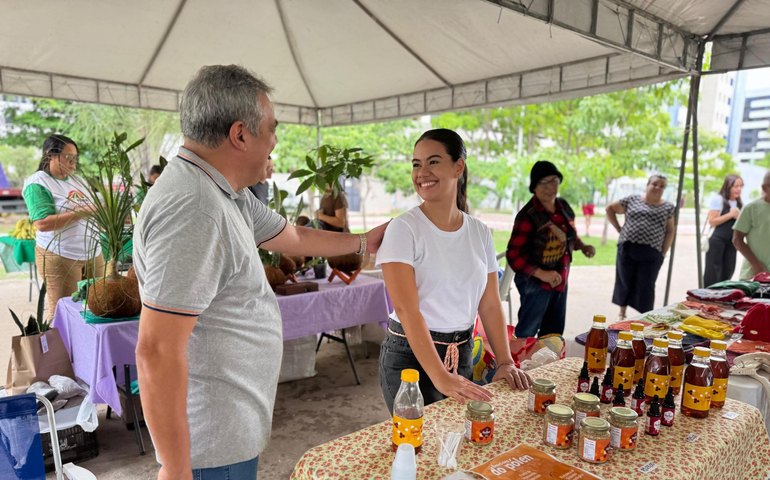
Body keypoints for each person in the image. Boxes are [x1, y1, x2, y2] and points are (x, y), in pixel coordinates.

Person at [133, 65, 387, 480]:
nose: (275, 140)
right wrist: (175, 466)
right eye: (272, 128)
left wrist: (364, 242)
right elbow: (156, 350)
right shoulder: (195, 208)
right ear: (240, 135)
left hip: (229, 429)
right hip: (209, 447)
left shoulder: (222, 191)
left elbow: (295, 238)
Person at [376, 128, 531, 412]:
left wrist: (506, 361)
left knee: (459, 442)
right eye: (416, 164)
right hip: (408, 357)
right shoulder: (403, 229)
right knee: (419, 444)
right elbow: (407, 310)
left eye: (433, 161)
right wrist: (440, 377)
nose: (422, 172)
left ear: (458, 167)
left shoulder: (479, 232)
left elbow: (490, 303)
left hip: (460, 352)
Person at [506, 161, 595, 338]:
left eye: (554, 180)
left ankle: (550, 365)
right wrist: (541, 274)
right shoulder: (528, 215)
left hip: (560, 279)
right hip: (535, 284)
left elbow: (567, 235)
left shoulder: (563, 207)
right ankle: (521, 364)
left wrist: (582, 246)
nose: (550, 187)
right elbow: (513, 255)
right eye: (544, 182)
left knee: (553, 333)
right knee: (527, 333)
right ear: (534, 187)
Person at [22, 134, 104, 320]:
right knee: (65, 313)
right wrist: (81, 212)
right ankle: (63, 349)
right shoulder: (39, 182)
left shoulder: (78, 181)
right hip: (61, 256)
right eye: (68, 158)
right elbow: (42, 223)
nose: (73, 163)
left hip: (93, 253)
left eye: (75, 158)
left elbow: (93, 209)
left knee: (99, 307)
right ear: (50, 155)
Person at [606, 174, 675, 320]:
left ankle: (643, 317)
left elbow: (670, 231)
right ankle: (622, 314)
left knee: (647, 285)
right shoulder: (632, 199)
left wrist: (663, 252)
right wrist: (619, 229)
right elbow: (610, 209)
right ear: (647, 184)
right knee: (624, 280)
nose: (658, 188)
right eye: (655, 184)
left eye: (662, 186)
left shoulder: (668, 207)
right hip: (628, 247)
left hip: (652, 251)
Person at [703, 174, 743, 286]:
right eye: (736, 186)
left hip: (732, 242)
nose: (739, 189)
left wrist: (739, 216)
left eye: (741, 186)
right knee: (713, 272)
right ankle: (707, 297)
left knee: (728, 271)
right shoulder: (718, 199)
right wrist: (731, 214)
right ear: (728, 186)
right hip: (717, 240)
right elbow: (712, 221)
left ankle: (722, 298)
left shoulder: (739, 203)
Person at [733, 170, 770, 279]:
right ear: (764, 188)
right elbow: (737, 239)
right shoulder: (751, 208)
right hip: (754, 276)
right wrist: (756, 265)